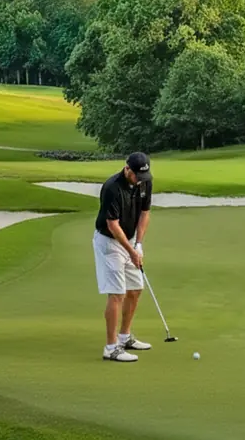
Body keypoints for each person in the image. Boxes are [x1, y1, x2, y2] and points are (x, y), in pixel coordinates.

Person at [93, 151, 154, 362]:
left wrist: (139, 244)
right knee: (117, 293)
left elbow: (145, 213)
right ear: (127, 169)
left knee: (136, 289)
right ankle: (111, 348)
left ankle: (125, 337)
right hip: (109, 242)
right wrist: (131, 251)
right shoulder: (112, 188)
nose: (140, 181)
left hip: (130, 240)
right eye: (137, 176)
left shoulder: (145, 181)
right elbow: (112, 225)